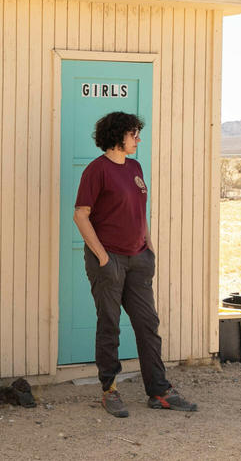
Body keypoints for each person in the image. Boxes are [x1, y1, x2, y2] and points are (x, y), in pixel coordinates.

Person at [73, 111, 197, 417]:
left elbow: (139, 212)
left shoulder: (135, 167)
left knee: (147, 324)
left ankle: (159, 391)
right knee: (110, 324)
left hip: (138, 258)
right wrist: (102, 257)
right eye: (134, 134)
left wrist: (149, 247)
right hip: (110, 260)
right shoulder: (96, 170)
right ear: (117, 137)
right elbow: (80, 214)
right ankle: (109, 390)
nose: (138, 139)